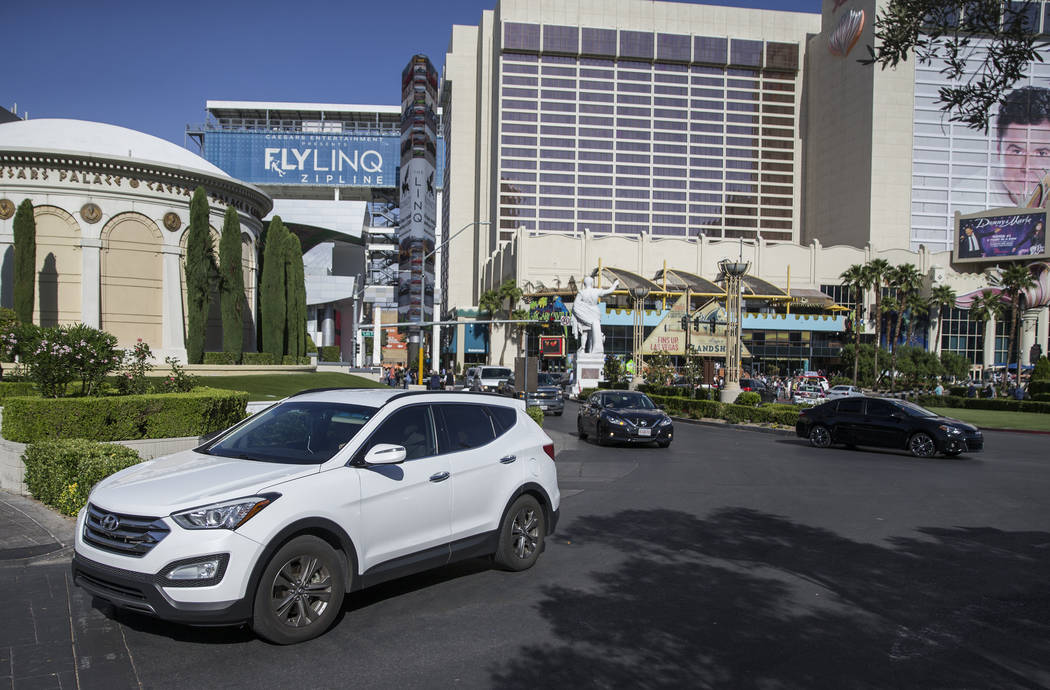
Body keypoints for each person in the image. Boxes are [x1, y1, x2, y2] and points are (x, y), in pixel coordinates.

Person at [995, 85, 1050, 207]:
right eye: (1017, 152)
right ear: (999, 149)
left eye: (1042, 153)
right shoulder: (965, 201)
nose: (1027, 167)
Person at [571, 276, 620, 354]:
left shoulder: (582, 292)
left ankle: (583, 348)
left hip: (585, 314)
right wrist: (615, 284)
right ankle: (591, 350)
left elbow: (575, 305)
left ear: (584, 284)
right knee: (593, 332)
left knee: (585, 332)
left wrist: (581, 312)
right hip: (595, 312)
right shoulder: (596, 291)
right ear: (592, 283)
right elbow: (609, 291)